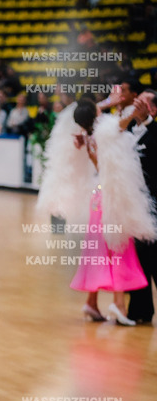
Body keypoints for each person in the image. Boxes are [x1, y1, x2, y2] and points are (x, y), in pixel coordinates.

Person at [38, 98, 157, 324]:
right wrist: (131, 108)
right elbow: (121, 122)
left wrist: (107, 103)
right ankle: (119, 304)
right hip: (108, 197)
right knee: (119, 247)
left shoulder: (89, 136)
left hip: (98, 195)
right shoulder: (103, 133)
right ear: (96, 116)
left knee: (101, 250)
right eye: (99, 109)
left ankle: (92, 303)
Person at [127, 90, 157, 324]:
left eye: (143, 102)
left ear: (153, 109)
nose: (136, 104)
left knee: (154, 258)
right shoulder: (128, 131)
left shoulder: (155, 132)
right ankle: (140, 311)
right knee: (139, 260)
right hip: (134, 206)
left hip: (153, 205)